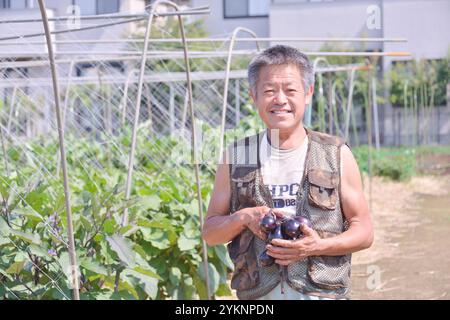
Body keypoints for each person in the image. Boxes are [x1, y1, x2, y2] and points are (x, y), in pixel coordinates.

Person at [202, 45, 373, 300]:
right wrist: (244, 217)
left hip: (321, 295)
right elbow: (210, 233)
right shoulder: (237, 157)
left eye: (290, 90)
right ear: (253, 96)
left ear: (308, 93)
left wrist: (317, 246)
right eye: (269, 91)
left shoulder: (335, 154)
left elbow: (365, 231)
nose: (280, 100)